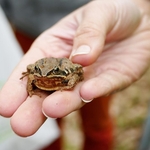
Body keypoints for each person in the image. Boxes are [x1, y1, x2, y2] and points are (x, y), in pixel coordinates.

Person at [0, 0, 150, 149]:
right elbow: (32, 72)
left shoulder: (65, 72)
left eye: (51, 74)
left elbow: (76, 71)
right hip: (24, 23)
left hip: (82, 27)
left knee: (96, 119)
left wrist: (142, 6)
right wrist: (32, 88)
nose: (45, 75)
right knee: (46, 120)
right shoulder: (38, 72)